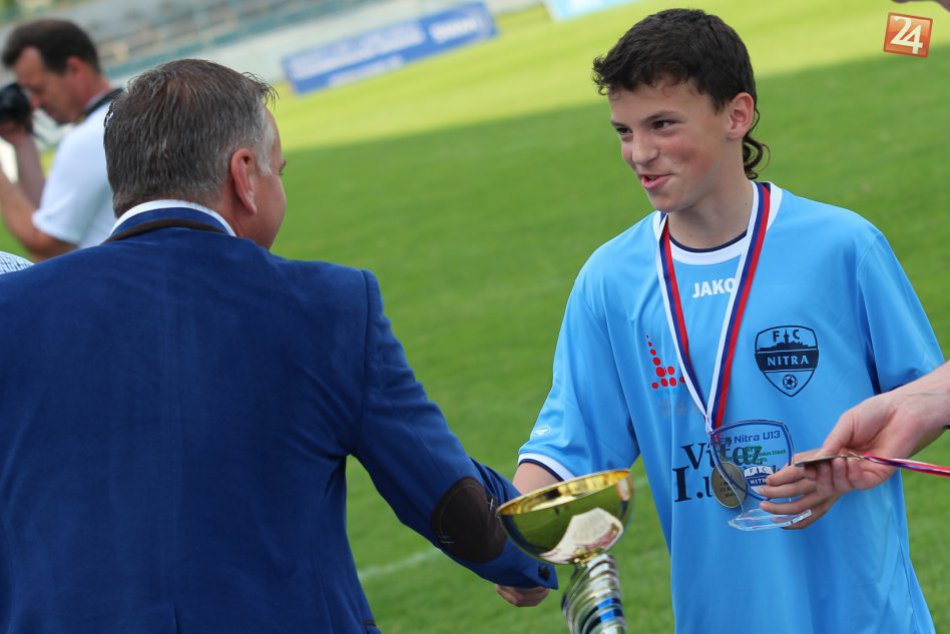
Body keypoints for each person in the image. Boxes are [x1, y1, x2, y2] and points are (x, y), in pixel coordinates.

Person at [0, 58, 554, 632]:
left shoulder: (11, 309)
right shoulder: (327, 303)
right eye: (277, 170)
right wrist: (519, 556)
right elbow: (444, 493)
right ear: (243, 175)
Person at [497, 9, 941, 633]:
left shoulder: (842, 245)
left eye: (662, 124)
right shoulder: (610, 281)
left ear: (737, 115)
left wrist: (851, 468)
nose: (638, 153)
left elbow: (924, 395)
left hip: (865, 613)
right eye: (623, 130)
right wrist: (513, 529)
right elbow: (569, 447)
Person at [0, 19, 119, 261]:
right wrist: (22, 142)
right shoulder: (120, 116)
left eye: (39, 89)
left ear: (75, 68)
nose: (34, 103)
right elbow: (49, 214)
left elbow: (46, 248)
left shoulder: (88, 137)